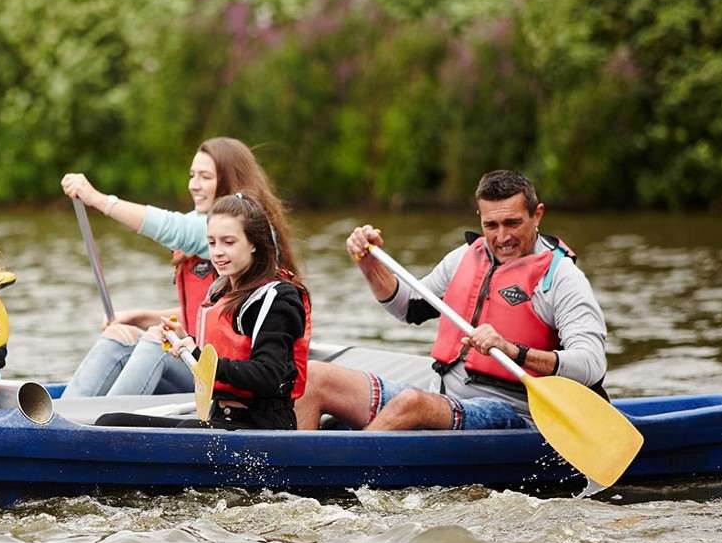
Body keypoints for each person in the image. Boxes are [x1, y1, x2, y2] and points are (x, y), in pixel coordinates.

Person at [294, 169, 607, 431]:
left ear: (537, 215)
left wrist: (513, 350)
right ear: (480, 218)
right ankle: (292, 482)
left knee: (411, 404)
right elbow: (409, 308)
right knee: (314, 378)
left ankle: (337, 479)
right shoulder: (465, 258)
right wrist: (369, 263)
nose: (502, 237)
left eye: (513, 223)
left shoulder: (562, 278)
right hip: (442, 396)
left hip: (514, 413)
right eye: (491, 225)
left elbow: (591, 365)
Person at [60, 137, 296, 398]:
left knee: (153, 344)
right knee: (119, 336)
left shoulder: (245, 228)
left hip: (229, 375)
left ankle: (98, 427)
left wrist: (98, 200)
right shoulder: (215, 236)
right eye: (192, 175)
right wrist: (140, 316)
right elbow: (209, 315)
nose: (194, 185)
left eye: (205, 177)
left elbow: (172, 228)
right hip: (199, 359)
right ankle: (59, 419)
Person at [96, 192, 311, 430]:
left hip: (260, 426)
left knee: (145, 428)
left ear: (254, 244)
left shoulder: (278, 298)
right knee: (111, 422)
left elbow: (270, 375)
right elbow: (219, 356)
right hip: (220, 419)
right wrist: (185, 340)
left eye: (228, 242)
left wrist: (199, 357)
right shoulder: (220, 291)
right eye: (211, 242)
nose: (217, 252)